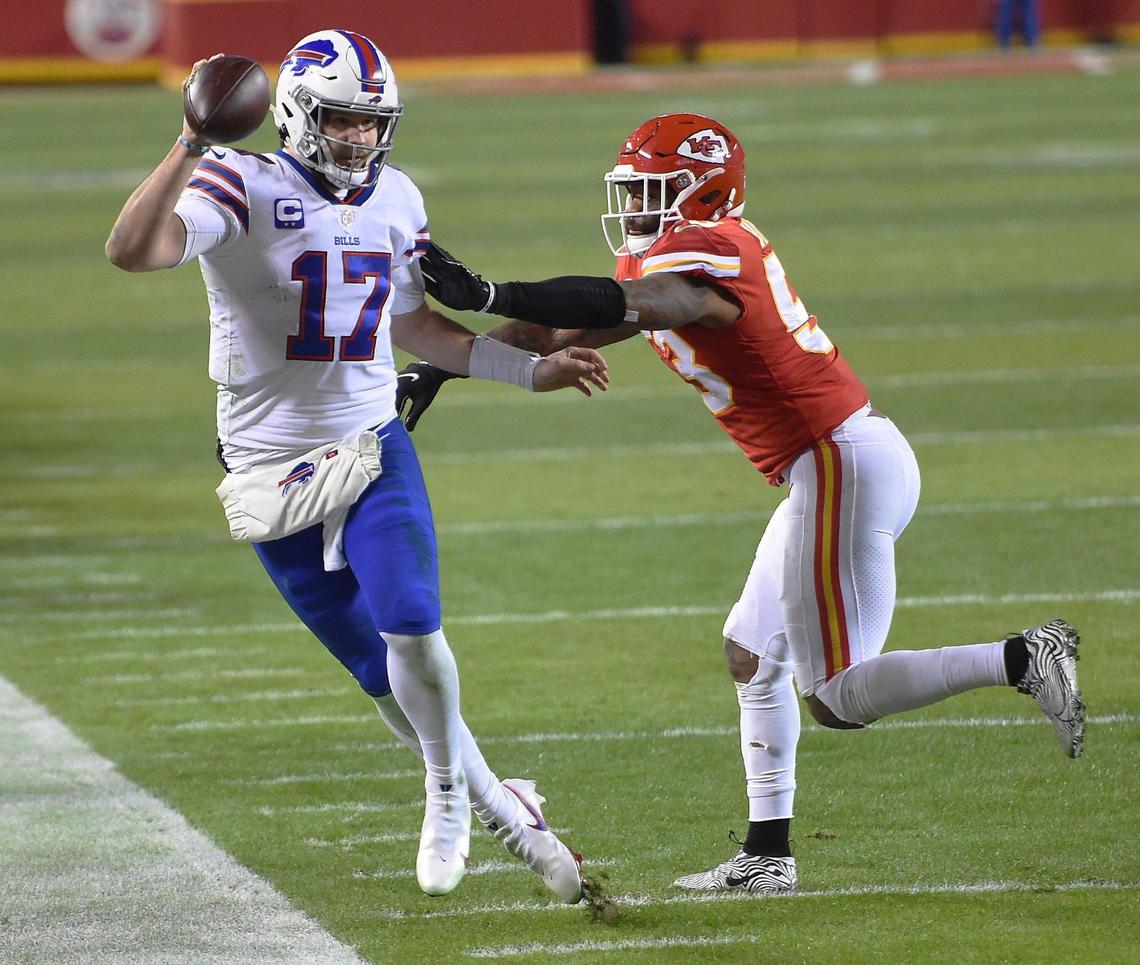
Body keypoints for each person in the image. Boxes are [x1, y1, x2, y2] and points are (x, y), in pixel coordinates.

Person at [394, 112, 1086, 894]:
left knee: (836, 696)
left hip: (836, 460)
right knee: (751, 656)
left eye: (653, 189)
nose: (636, 205)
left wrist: (490, 289)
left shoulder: (710, 256)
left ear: (703, 191)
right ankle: (766, 854)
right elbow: (560, 324)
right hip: (824, 464)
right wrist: (446, 367)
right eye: (633, 189)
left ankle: (1026, 656)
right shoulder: (675, 259)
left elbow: (644, 303)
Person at [104, 29, 608, 903]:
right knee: (379, 673)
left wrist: (527, 370)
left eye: (374, 124)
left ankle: (448, 791)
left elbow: (414, 327)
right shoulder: (243, 181)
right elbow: (133, 250)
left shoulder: (398, 197)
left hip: (372, 440)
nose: (360, 140)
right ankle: (499, 800)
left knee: (412, 620)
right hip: (269, 465)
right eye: (342, 121)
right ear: (298, 115)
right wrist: (191, 143)